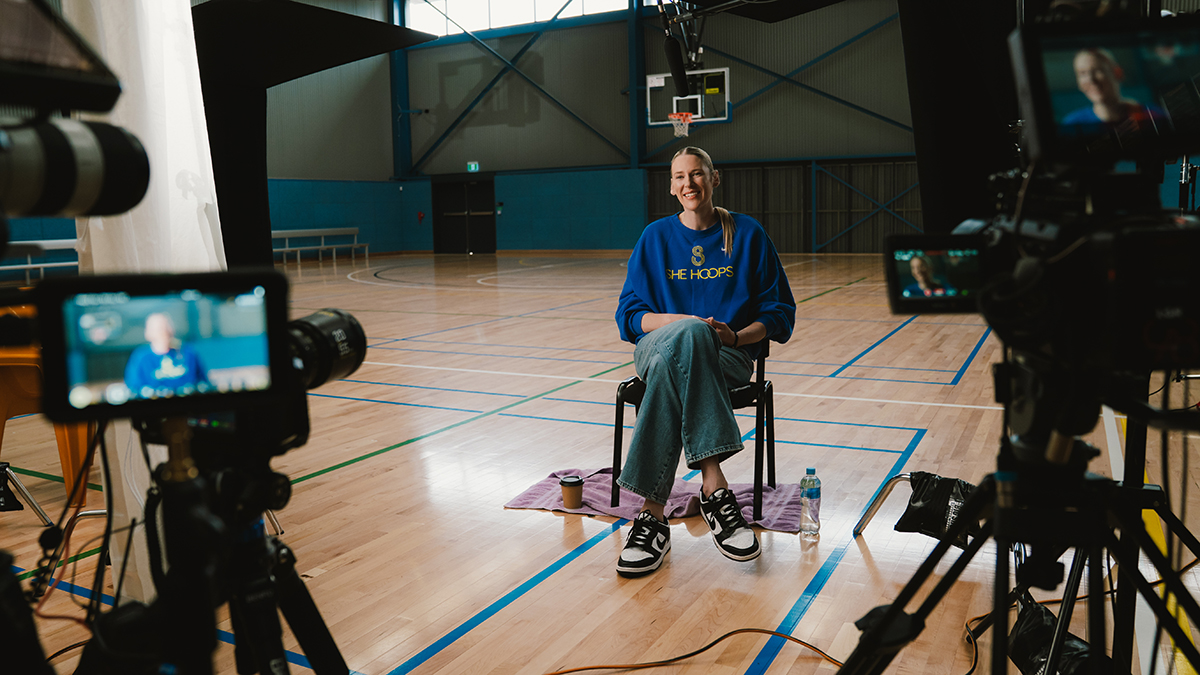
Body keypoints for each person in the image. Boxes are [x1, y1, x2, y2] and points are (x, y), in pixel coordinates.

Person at [613, 146, 796, 577]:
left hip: (726, 357)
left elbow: (779, 313)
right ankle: (714, 486)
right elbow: (629, 316)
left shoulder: (748, 234)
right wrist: (680, 323)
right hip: (654, 346)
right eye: (679, 177)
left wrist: (734, 335)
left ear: (715, 179)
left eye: (697, 174)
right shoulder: (654, 238)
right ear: (671, 186)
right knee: (689, 334)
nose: (688, 183)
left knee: (669, 370)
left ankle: (652, 519)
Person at [1060, 48, 1169, 140]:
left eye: (1098, 70)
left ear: (1117, 73)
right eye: (1082, 73)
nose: (1091, 80)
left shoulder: (1154, 117)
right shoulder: (1071, 126)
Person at [124, 312, 210, 398]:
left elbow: (203, 384)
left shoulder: (188, 353)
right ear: (148, 333)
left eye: (166, 327)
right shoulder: (140, 357)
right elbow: (134, 389)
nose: (163, 332)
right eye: (158, 328)